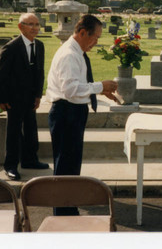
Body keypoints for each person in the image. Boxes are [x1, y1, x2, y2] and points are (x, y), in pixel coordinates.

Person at [45, 14, 117, 215]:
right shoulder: (69, 54)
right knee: (65, 166)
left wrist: (100, 91)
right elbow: (70, 90)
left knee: (71, 164)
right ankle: (63, 213)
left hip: (72, 112)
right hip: (66, 112)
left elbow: (77, 87)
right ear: (82, 32)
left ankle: (68, 206)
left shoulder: (77, 53)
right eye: (95, 37)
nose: (96, 42)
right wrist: (99, 86)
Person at [0, 13, 49, 180]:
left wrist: (38, 95)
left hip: (31, 97)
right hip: (13, 98)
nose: (34, 28)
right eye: (29, 24)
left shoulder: (39, 45)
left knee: (31, 129)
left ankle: (30, 160)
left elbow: (39, 73)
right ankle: (10, 165)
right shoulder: (11, 48)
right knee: (14, 131)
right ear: (20, 27)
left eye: (36, 24)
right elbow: (0, 76)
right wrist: (1, 98)